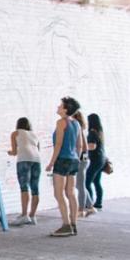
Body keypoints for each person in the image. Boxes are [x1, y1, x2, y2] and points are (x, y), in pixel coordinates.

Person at [46, 97, 83, 237]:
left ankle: (66, 225)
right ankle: (74, 224)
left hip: (62, 160)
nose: (58, 106)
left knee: (59, 193)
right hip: (73, 160)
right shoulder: (77, 124)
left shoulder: (61, 122)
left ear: (66, 109)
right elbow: (79, 145)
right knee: (71, 193)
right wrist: (76, 158)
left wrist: (51, 163)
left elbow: (59, 144)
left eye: (60, 105)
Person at [8, 117, 42, 226]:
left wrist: (9, 152)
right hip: (37, 160)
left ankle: (24, 215)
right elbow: (38, 149)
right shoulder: (35, 135)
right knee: (35, 188)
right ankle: (32, 216)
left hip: (24, 160)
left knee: (24, 187)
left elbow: (14, 152)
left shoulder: (15, 133)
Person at [84, 113, 106, 212]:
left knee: (86, 182)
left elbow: (92, 146)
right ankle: (99, 203)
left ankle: (89, 203)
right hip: (102, 159)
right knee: (97, 182)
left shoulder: (92, 133)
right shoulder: (100, 132)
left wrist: (82, 147)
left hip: (96, 160)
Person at [72, 111, 92, 216]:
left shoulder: (78, 129)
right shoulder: (79, 129)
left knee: (80, 185)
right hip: (83, 159)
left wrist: (78, 158)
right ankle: (90, 206)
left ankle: (81, 209)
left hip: (81, 160)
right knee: (80, 185)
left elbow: (84, 147)